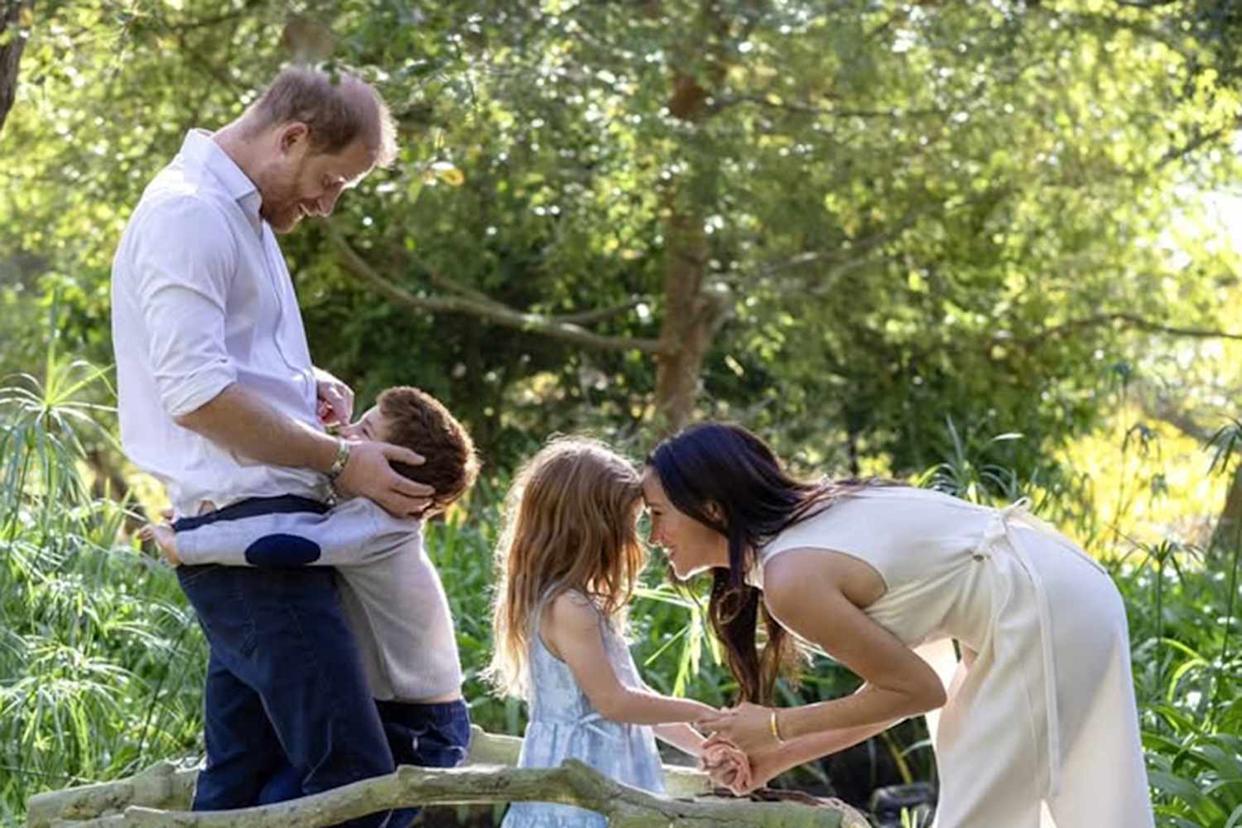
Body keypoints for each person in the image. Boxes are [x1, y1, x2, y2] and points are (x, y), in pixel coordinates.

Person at [111, 65, 429, 825]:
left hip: (268, 536)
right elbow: (195, 398)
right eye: (330, 180)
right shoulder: (190, 214)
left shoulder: (238, 215)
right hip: (251, 545)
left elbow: (218, 364)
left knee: (241, 789)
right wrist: (346, 460)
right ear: (292, 137)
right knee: (354, 782)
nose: (325, 206)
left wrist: (302, 384)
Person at [643, 422, 1154, 828]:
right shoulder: (807, 534)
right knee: (1014, 797)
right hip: (1056, 587)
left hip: (1042, 606)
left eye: (658, 514)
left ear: (710, 509)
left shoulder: (791, 576)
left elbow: (917, 690)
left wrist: (776, 726)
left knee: (985, 811)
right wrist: (778, 755)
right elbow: (896, 694)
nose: (654, 535)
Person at [141, 386, 478, 826]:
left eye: (364, 430)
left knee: (334, 807)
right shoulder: (361, 512)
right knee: (278, 796)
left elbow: (285, 543)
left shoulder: (380, 528)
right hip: (389, 708)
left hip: (420, 727)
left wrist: (188, 544)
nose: (346, 432)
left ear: (398, 469)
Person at [487, 438, 749, 827]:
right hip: (581, 785)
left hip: (603, 775)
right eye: (630, 524)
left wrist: (703, 745)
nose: (637, 539)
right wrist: (702, 712)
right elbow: (615, 703)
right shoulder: (569, 607)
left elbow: (638, 702)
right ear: (592, 527)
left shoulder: (575, 602)